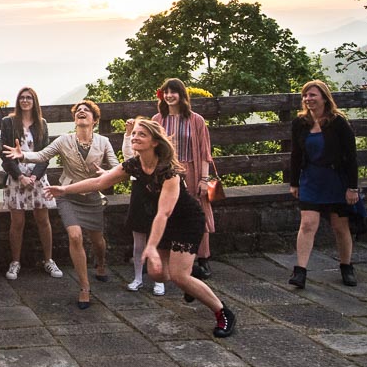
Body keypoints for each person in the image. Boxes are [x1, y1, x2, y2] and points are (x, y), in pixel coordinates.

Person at [51, 117, 233, 337]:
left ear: (155, 142)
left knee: (178, 276)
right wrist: (64, 190)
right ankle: (191, 273)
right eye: (134, 133)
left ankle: (223, 313)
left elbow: (164, 213)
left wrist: (151, 245)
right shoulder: (135, 163)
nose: (135, 137)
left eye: (141, 134)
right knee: (157, 274)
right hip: (162, 220)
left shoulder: (170, 172)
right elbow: (101, 182)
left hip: (185, 220)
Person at [4, 99, 118, 309]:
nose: (82, 112)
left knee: (97, 240)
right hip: (67, 194)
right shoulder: (64, 140)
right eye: (78, 111)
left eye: (87, 111)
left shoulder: (103, 142)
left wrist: (108, 174)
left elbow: (117, 167)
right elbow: (41, 155)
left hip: (92, 195)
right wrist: (23, 155)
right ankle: (84, 287)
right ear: (75, 119)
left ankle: (101, 263)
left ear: (95, 120)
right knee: (75, 236)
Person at [287, 79, 360, 290]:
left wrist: (352, 187)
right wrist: (294, 182)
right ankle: (299, 271)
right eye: (305, 95)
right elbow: (296, 154)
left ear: (324, 98)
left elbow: (351, 156)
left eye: (313, 95)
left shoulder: (338, 122)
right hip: (311, 178)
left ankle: (346, 266)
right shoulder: (300, 123)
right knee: (308, 224)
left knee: (340, 226)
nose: (308, 99)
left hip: (335, 179)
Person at [154, 78, 216, 282]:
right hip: (167, 172)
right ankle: (173, 258)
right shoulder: (157, 119)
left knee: (197, 213)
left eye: (174, 92)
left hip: (191, 170)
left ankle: (203, 257)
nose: (170, 96)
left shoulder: (196, 119)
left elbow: (205, 152)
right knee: (168, 213)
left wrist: (204, 179)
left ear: (182, 95)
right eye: (166, 92)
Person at [0, 86, 62, 280]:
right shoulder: (9, 123)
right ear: (18, 101)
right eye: (22, 98)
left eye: (29, 98)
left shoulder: (41, 123)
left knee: (43, 220)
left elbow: (46, 155)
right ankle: (15, 262)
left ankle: (49, 260)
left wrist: (34, 177)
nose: (25, 101)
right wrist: (20, 176)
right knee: (17, 222)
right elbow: (5, 155)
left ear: (34, 102)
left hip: (37, 177)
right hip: (17, 176)